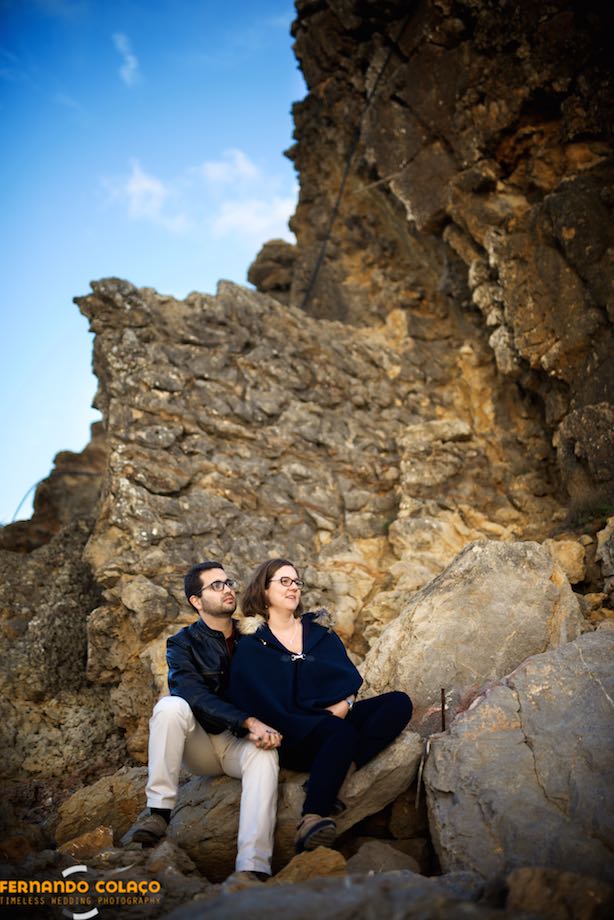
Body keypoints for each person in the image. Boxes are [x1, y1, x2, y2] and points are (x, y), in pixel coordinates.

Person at [225, 558, 413, 854]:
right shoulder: (252, 644)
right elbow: (254, 700)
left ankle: (342, 769)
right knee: (341, 734)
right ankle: (311, 818)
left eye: (296, 582)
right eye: (284, 581)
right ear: (263, 591)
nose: (293, 588)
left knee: (397, 704)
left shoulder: (318, 632)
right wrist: (308, 722)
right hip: (293, 735)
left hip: (330, 720)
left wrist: (347, 705)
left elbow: (347, 681)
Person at [124, 560, 282, 884]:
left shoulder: (253, 636)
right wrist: (248, 721)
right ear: (196, 601)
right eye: (217, 585)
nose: (228, 589)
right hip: (201, 744)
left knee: (266, 755)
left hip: (238, 744)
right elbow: (192, 694)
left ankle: (252, 867)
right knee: (170, 706)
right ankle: (158, 813)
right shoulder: (181, 644)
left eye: (228, 582)